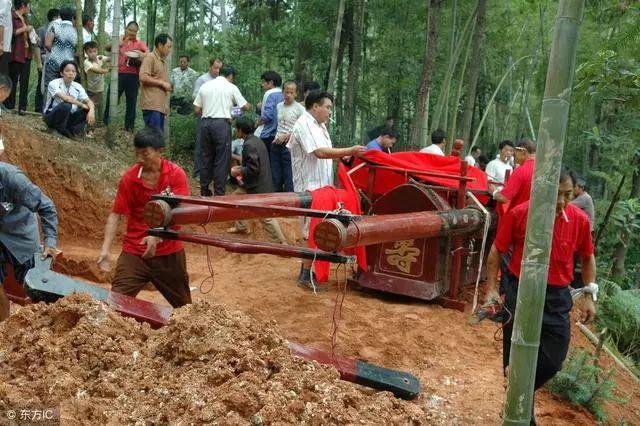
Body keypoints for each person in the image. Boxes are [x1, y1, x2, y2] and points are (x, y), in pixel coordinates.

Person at [484, 167, 596, 422]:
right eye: (555, 195)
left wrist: (589, 294)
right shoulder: (520, 214)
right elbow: (496, 252)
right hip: (519, 292)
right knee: (515, 354)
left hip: (556, 297)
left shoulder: (579, 220)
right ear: (540, 192)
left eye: (567, 195)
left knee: (554, 358)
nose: (561, 201)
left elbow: (588, 257)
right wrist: (492, 289)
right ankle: (523, 415)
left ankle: (516, 389)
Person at [97, 127, 191, 308]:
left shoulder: (175, 175)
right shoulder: (130, 178)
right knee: (114, 304)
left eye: (145, 154)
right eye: (137, 154)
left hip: (169, 253)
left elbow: (180, 213)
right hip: (135, 252)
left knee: (185, 308)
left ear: (159, 152)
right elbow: (115, 214)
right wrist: (105, 249)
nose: (140, 159)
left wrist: (156, 236)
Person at [287, 90, 365, 287]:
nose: (330, 112)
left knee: (323, 228)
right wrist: (349, 150)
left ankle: (313, 270)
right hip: (309, 188)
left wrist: (343, 156)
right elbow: (320, 153)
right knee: (311, 232)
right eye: (328, 107)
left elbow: (327, 152)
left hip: (323, 186)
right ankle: (305, 273)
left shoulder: (320, 126)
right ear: (315, 106)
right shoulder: (303, 124)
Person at [0, 162, 58, 321]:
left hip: (21, 235)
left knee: (36, 288)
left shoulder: (12, 178)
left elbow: (46, 207)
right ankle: (3, 332)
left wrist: (50, 243)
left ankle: (41, 330)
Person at [193, 64, 251, 196]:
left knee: (206, 157)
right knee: (221, 159)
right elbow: (245, 106)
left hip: (205, 123)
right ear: (230, 76)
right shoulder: (231, 87)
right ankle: (219, 193)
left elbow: (196, 109)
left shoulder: (205, 85)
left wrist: (209, 112)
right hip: (221, 125)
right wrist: (233, 113)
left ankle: (204, 190)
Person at [227, 117, 287, 243]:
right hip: (259, 182)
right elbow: (253, 164)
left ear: (240, 130)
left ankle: (281, 243)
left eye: (236, 129)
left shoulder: (249, 144)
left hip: (257, 186)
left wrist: (238, 171)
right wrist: (242, 168)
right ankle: (241, 225)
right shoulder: (256, 140)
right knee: (235, 199)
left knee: (265, 216)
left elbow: (253, 168)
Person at [104, 21, 148, 132]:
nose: (132, 33)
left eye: (134, 31)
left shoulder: (139, 43)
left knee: (131, 101)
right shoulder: (119, 39)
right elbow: (107, 47)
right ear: (125, 29)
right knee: (112, 98)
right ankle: (106, 123)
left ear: (137, 32)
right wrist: (118, 43)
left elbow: (148, 53)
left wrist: (140, 54)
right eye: (130, 30)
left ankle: (129, 127)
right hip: (117, 74)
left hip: (133, 76)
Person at [43, 60, 95, 138]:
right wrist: (81, 104)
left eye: (73, 71)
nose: (71, 73)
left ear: (76, 74)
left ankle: (70, 131)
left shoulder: (78, 86)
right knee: (66, 105)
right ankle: (56, 129)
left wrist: (92, 111)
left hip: (68, 117)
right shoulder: (54, 83)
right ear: (61, 73)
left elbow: (88, 101)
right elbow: (65, 98)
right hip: (52, 115)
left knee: (87, 109)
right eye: (67, 71)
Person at [191, 58, 223, 179]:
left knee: (214, 147)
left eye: (219, 68)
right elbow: (194, 96)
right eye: (215, 68)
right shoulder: (202, 80)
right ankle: (198, 172)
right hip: (204, 116)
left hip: (217, 118)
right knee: (201, 145)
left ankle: (210, 173)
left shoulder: (222, 81)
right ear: (210, 67)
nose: (217, 71)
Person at [272, 80, 304, 192]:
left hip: (290, 146)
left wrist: (286, 136)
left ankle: (290, 204)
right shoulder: (279, 106)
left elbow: (302, 129)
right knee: (276, 176)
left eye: (291, 92)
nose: (288, 95)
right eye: (286, 92)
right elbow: (279, 124)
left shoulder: (300, 109)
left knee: (289, 176)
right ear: (282, 92)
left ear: (296, 94)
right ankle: (276, 203)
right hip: (276, 144)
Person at [139, 33, 172, 130]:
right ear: (160, 45)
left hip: (160, 107)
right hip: (151, 105)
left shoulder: (163, 62)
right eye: (168, 47)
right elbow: (143, 77)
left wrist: (165, 107)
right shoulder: (150, 57)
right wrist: (161, 83)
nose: (170, 50)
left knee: (157, 139)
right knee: (153, 138)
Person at [5, 0, 33, 115]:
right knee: (13, 79)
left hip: (27, 53)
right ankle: (9, 105)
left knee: (25, 81)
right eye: (29, 5)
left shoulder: (26, 18)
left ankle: (22, 107)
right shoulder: (11, 16)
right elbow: (9, 32)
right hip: (16, 53)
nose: (30, 7)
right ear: (23, 5)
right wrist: (24, 29)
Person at [492, 139, 536, 212]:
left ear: (523, 152)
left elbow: (504, 198)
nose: (515, 157)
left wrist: (494, 192)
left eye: (516, 154)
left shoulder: (521, 170)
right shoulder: (544, 170)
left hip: (519, 216)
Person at [43, 7, 77, 94]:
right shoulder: (76, 31)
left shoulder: (55, 26)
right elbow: (78, 51)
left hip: (53, 63)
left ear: (60, 16)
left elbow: (47, 44)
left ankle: (48, 107)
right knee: (65, 90)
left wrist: (55, 52)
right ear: (73, 17)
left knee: (50, 88)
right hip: (68, 65)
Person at [82, 41, 109, 136]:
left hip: (99, 91)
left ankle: (90, 130)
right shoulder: (86, 62)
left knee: (93, 109)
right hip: (90, 90)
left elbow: (109, 58)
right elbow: (96, 70)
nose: (93, 53)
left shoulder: (99, 58)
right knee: (89, 108)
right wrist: (107, 70)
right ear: (86, 53)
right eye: (90, 52)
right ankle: (88, 130)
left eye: (95, 51)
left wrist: (111, 55)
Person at [34, 8, 58, 113]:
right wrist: (39, 63)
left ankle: (50, 108)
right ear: (55, 17)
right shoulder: (42, 30)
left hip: (55, 62)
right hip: (45, 59)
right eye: (59, 16)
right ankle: (39, 108)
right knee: (42, 83)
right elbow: (37, 47)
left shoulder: (58, 29)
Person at [257, 70, 284, 153]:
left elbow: (267, 116)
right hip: (280, 134)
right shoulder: (283, 94)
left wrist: (258, 123)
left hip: (268, 134)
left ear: (271, 82)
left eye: (264, 82)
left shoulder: (269, 93)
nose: (262, 84)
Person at [0, 0, 12, 80]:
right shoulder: (5, 1)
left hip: (5, 47)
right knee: (3, 81)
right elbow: (1, 22)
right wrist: (0, 43)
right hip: (3, 48)